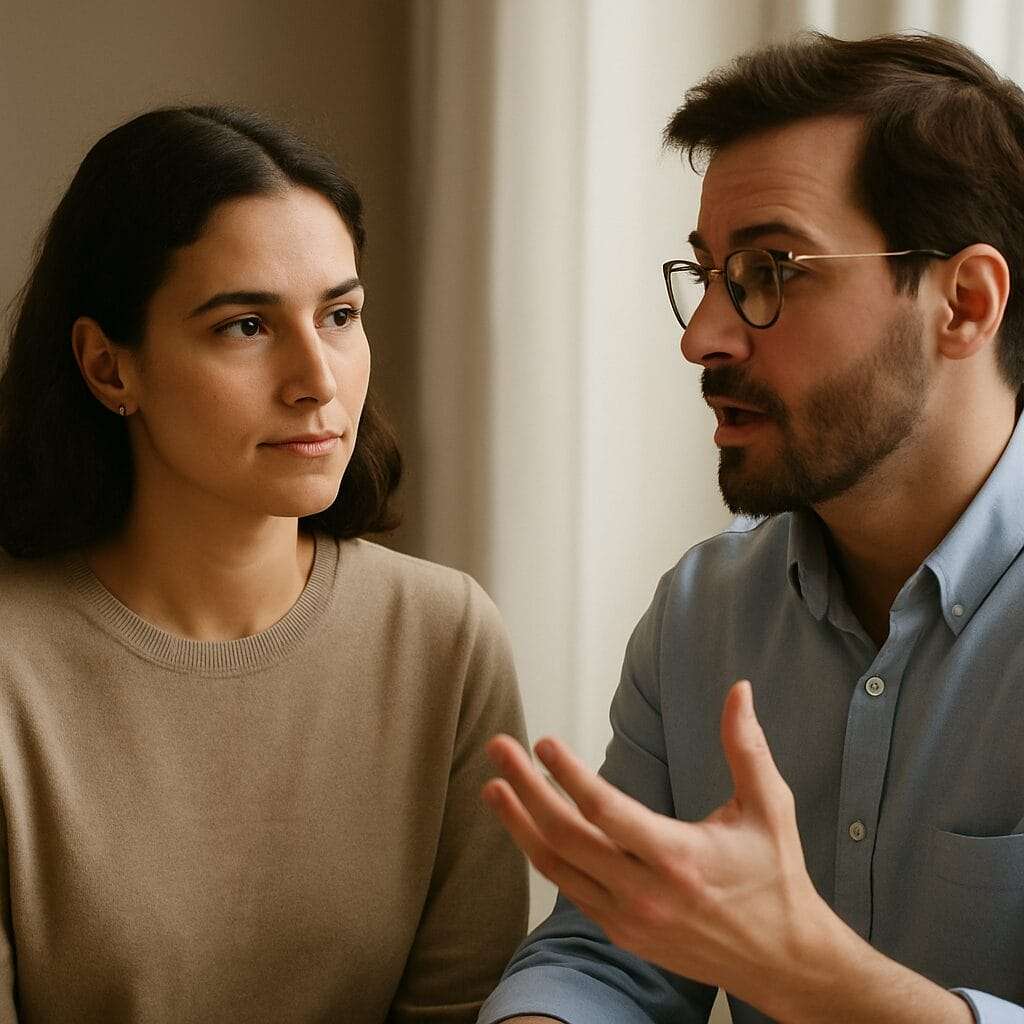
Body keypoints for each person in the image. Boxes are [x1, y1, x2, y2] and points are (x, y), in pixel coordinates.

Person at [478, 31, 1024, 1024]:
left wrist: (808, 973)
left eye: (772, 272)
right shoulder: (703, 610)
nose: (702, 338)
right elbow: (609, 961)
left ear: (965, 302)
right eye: (708, 274)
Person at [0, 105, 527, 1022]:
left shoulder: (445, 638)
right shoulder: (13, 665)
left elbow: (463, 1007)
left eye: (340, 315)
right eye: (245, 325)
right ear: (108, 367)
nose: (318, 378)